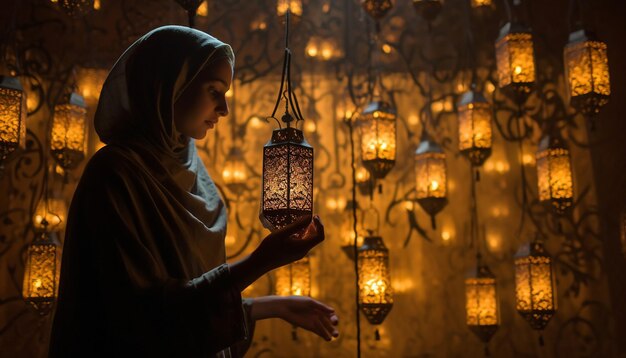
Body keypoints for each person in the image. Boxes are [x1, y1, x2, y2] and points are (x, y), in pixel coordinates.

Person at [48, 25, 338, 358]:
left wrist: (268, 306)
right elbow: (143, 317)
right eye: (214, 90)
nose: (224, 109)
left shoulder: (196, 175)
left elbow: (188, 300)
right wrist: (260, 261)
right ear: (169, 85)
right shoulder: (115, 174)